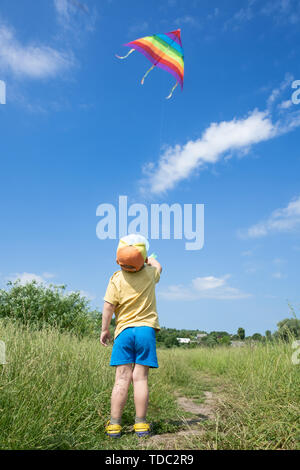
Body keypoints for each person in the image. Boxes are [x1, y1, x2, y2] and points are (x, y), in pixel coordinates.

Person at [100, 235, 162, 438]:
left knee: (121, 379)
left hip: (124, 332)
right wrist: (150, 259)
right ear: (143, 259)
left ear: (118, 259)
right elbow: (159, 266)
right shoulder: (151, 273)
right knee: (140, 378)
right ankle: (141, 425)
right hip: (145, 330)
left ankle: (115, 425)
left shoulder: (116, 278)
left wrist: (105, 329)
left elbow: (109, 306)